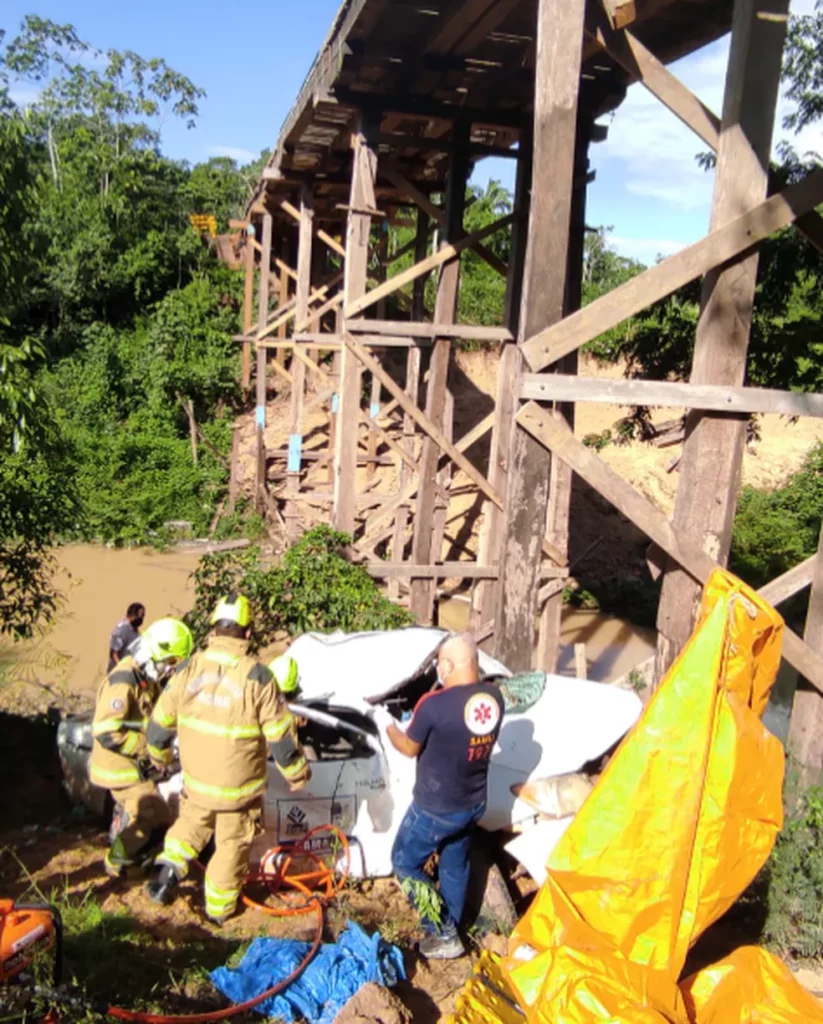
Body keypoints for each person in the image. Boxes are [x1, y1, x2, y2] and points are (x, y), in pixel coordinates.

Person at [144, 594, 311, 924]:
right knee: (231, 845)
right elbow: (280, 734)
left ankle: (164, 878)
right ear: (248, 635)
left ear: (213, 630)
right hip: (238, 790)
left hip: (196, 781)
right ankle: (219, 913)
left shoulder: (188, 668)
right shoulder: (258, 677)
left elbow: (159, 724)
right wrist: (297, 773)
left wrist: (158, 757)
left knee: (189, 828)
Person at [378, 633, 504, 960]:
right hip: (472, 802)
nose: (438, 668)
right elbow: (459, 731)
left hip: (435, 808)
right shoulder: (494, 699)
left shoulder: (434, 706)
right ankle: (455, 926)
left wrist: (387, 725)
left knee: (404, 863)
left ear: (447, 664)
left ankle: (443, 932)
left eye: (439, 663)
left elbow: (408, 748)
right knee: (453, 863)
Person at [91, 617, 194, 879]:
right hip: (119, 768)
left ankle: (136, 864)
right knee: (147, 819)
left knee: (161, 818)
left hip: (134, 767)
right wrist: (146, 747)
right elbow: (106, 731)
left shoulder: (144, 679)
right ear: (157, 654)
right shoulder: (125, 681)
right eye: (170, 662)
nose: (170, 669)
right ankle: (115, 865)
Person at [107, 603, 146, 673]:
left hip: (131, 669)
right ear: (132, 615)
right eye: (140, 615)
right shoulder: (121, 629)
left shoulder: (134, 630)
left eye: (143, 616)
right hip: (118, 672)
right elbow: (114, 653)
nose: (141, 619)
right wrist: (121, 667)